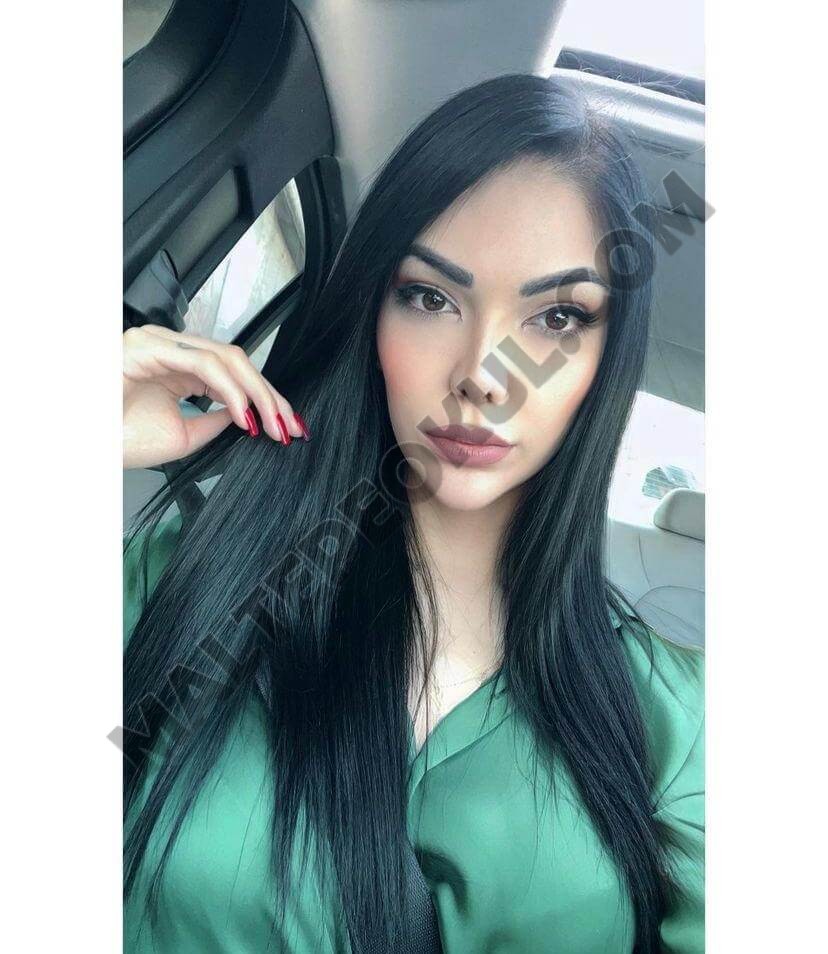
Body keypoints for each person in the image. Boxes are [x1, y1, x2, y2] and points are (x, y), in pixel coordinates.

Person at [123, 73, 704, 953]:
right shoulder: (183, 577)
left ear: (606, 356)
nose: (483, 375)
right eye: (431, 298)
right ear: (373, 314)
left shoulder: (681, 717)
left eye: (557, 317)